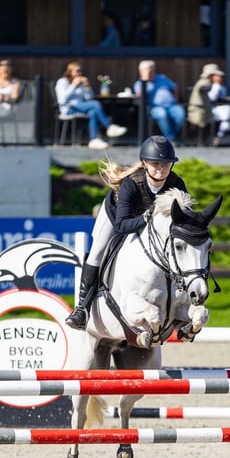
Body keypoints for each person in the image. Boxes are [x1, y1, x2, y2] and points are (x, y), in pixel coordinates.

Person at [65, 135, 187, 330]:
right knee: (98, 251)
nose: (161, 168)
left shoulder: (177, 184)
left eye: (166, 164)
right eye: (156, 163)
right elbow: (122, 225)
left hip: (148, 223)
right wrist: (148, 218)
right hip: (116, 216)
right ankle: (82, 308)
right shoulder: (130, 184)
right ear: (145, 163)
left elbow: (180, 220)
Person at [55, 62, 127, 149]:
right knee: (95, 104)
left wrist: (87, 87)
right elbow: (62, 99)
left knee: (93, 112)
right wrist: (73, 85)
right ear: (70, 72)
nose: (79, 73)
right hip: (68, 108)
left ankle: (94, 140)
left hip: (81, 107)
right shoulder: (62, 82)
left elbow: (89, 99)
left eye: (80, 71)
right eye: (77, 71)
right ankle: (109, 127)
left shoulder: (80, 84)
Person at [133, 60, 186, 142]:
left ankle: (172, 136)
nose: (151, 73)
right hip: (155, 107)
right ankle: (171, 139)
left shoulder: (162, 78)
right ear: (141, 72)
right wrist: (146, 80)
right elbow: (138, 95)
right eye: (148, 71)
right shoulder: (140, 83)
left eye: (152, 70)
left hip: (172, 105)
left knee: (180, 114)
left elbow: (175, 87)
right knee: (162, 114)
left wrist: (176, 99)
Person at [187, 63, 230, 147]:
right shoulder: (204, 84)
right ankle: (220, 135)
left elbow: (222, 96)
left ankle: (221, 134)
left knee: (228, 110)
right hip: (201, 111)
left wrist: (219, 85)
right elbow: (210, 99)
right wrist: (217, 85)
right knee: (228, 110)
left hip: (210, 109)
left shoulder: (213, 84)